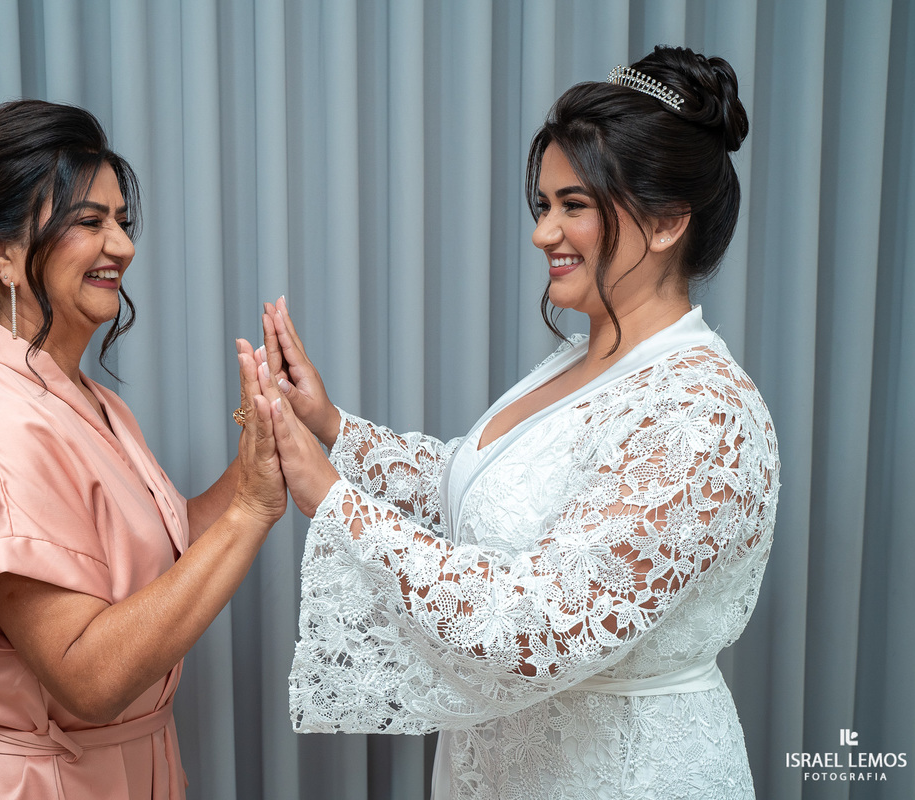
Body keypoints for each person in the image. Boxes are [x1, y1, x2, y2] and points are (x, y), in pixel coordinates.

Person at [250, 46, 779, 798]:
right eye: (544, 205)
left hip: (621, 774)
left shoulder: (699, 415)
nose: (543, 234)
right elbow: (490, 500)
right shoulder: (576, 360)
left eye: (574, 206)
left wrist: (332, 500)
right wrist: (333, 425)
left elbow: (543, 620)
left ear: (665, 223)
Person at [0, 99, 285, 799]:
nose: (123, 246)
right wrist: (252, 510)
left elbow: (158, 558)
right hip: (36, 780)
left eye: (122, 223)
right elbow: (88, 675)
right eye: (89, 222)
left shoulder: (87, 399)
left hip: (124, 767)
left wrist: (261, 451)